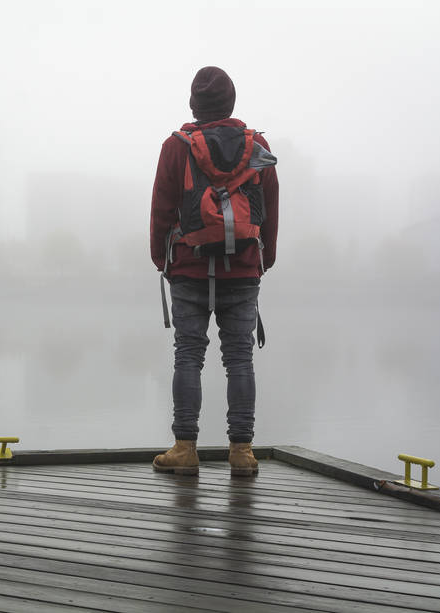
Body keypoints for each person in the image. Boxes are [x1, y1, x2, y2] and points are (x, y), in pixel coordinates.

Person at [149, 66, 279, 476]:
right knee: (239, 359)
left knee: (188, 355)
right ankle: (242, 452)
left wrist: (161, 259)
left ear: (194, 104)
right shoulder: (257, 145)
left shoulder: (177, 146)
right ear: (232, 102)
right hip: (243, 268)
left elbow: (161, 208)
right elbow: (269, 206)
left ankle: (185, 448)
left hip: (188, 265)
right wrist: (264, 258)